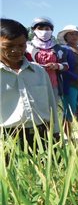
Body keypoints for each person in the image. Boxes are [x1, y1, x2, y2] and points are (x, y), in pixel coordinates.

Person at [0, 18, 59, 148]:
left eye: (21, 45)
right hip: (7, 139)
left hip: (42, 134)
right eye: (8, 46)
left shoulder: (38, 71)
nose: (16, 50)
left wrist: (55, 132)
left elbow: (51, 104)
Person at [26, 17, 69, 104]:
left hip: (53, 84)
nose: (44, 31)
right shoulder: (27, 47)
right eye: (40, 28)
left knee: (52, 110)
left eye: (47, 29)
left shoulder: (58, 48)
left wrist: (57, 66)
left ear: (51, 30)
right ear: (34, 30)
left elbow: (66, 65)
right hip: (32, 84)